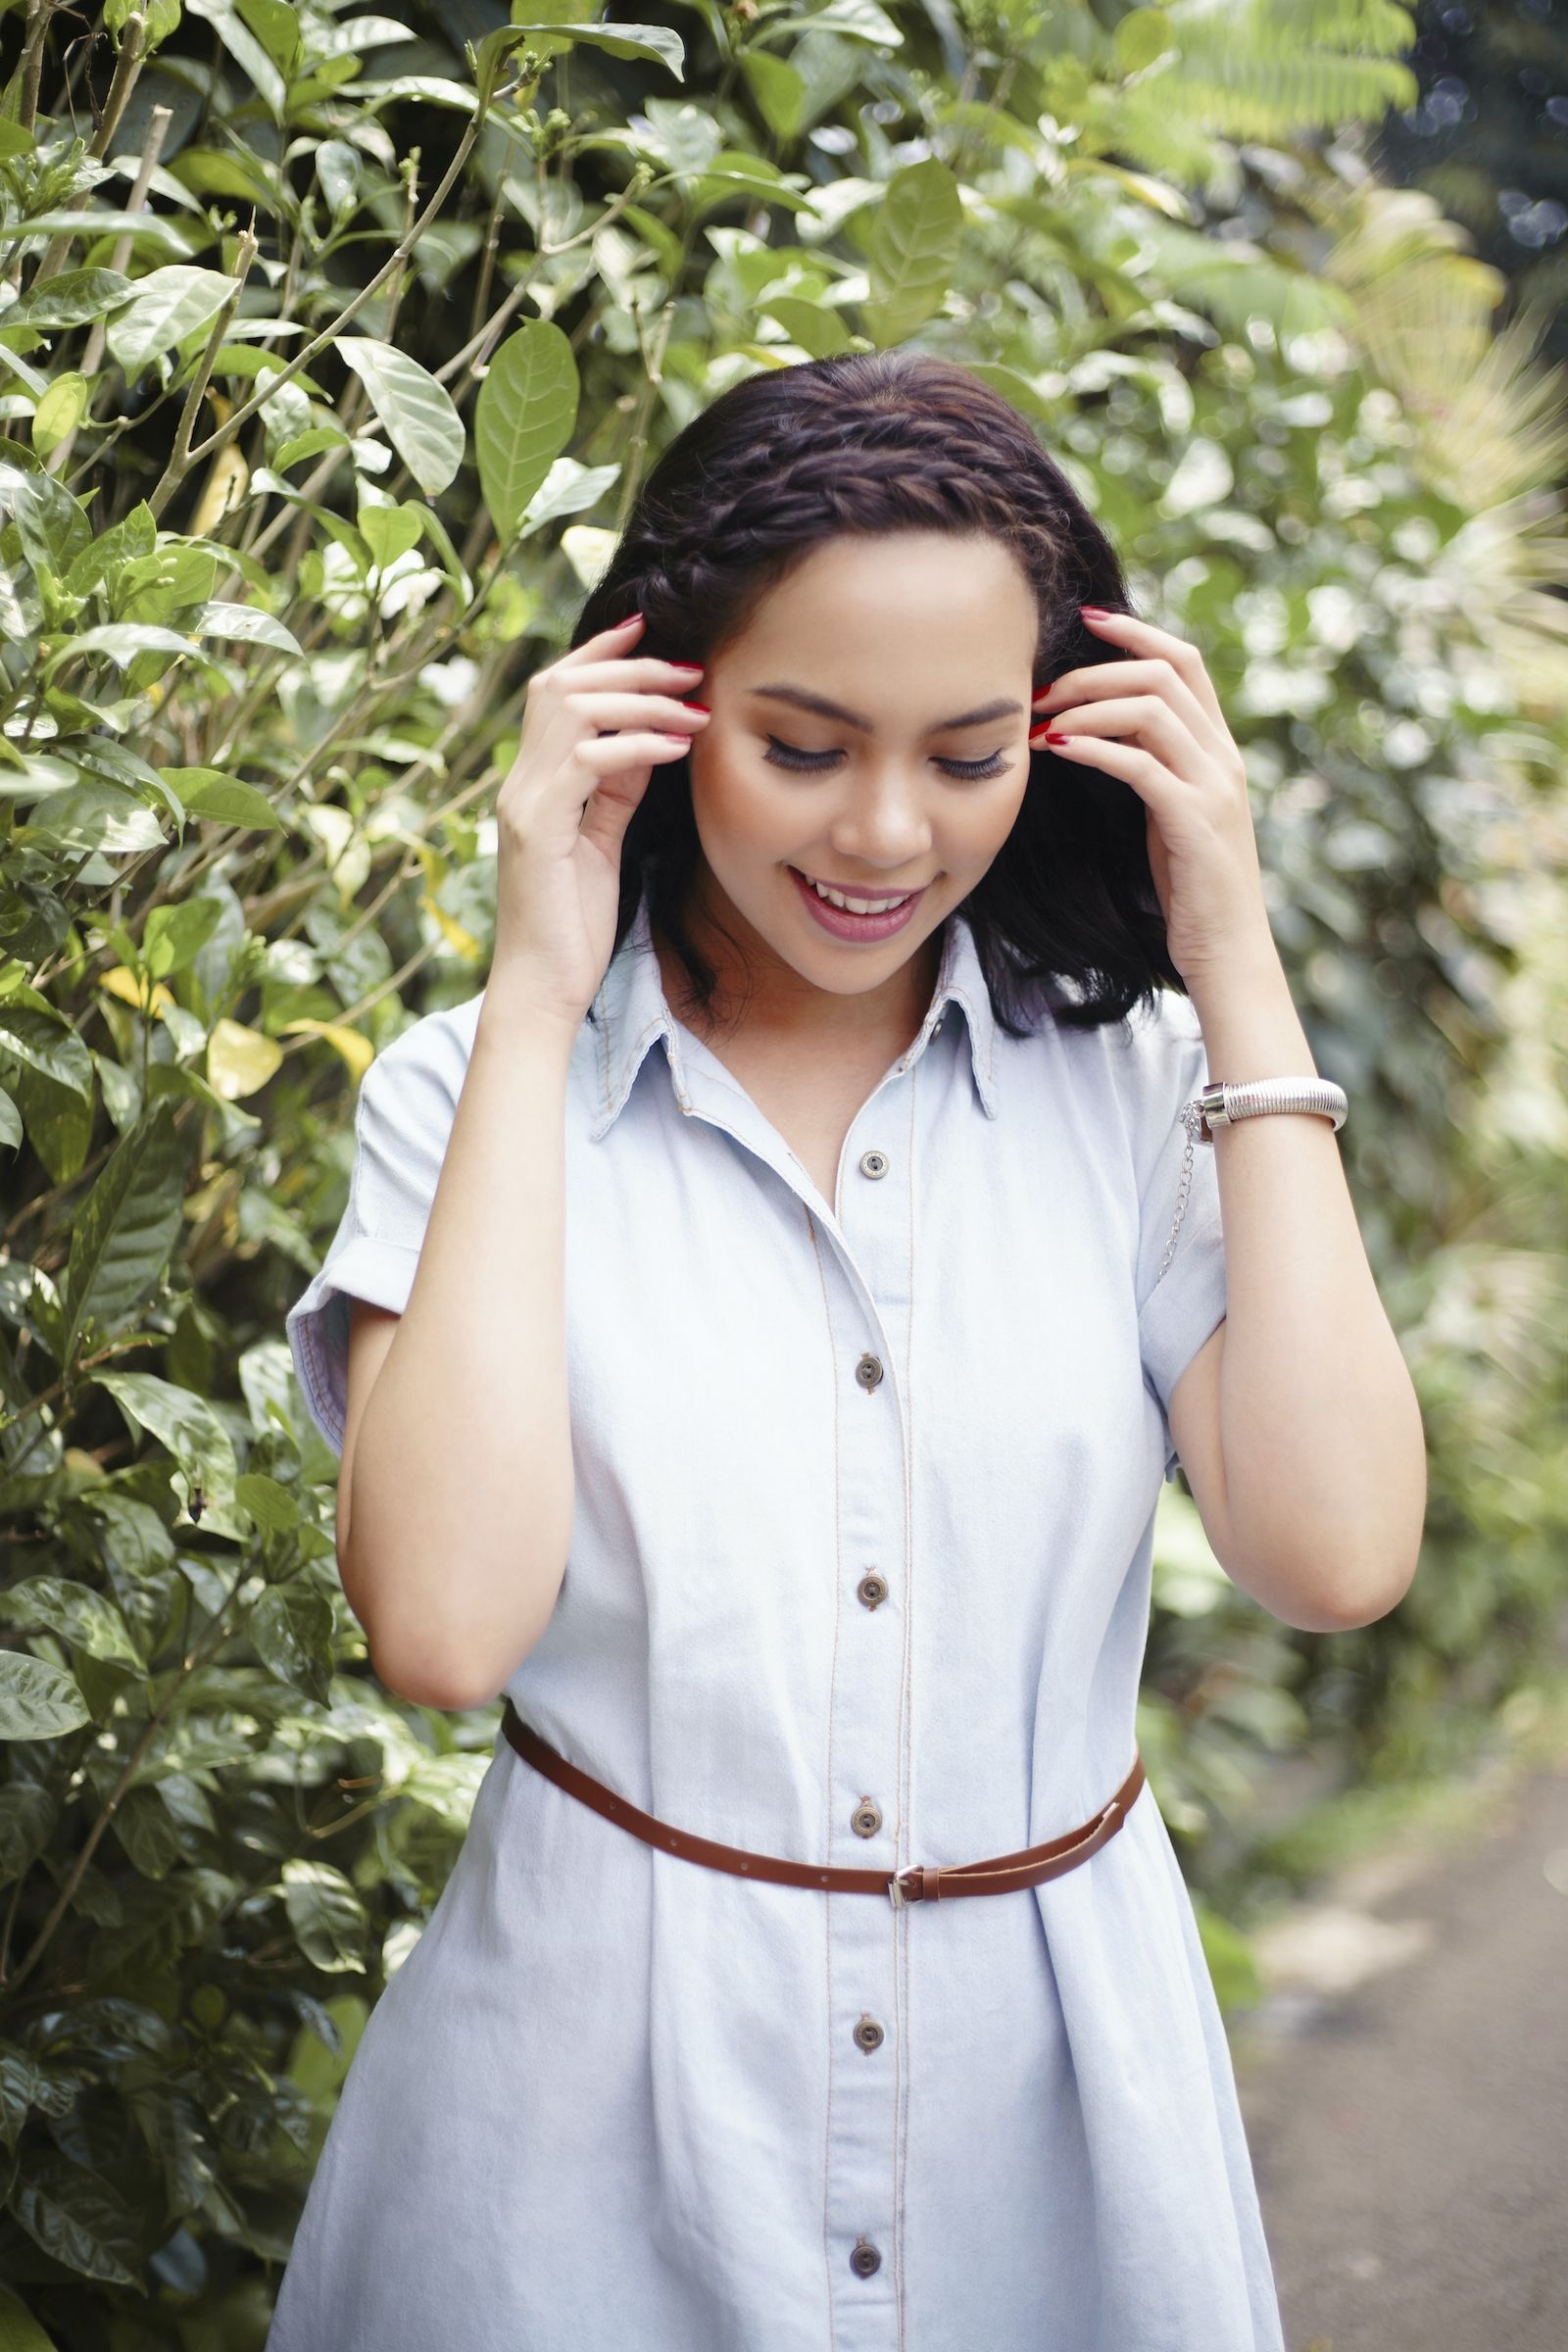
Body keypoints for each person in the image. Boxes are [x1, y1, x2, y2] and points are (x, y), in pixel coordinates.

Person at [270, 350, 1427, 2351]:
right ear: (661, 706)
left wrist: (1230, 957)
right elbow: (444, 1631)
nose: (885, 832)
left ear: (1054, 743)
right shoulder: (472, 1095)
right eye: (802, 745)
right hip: (568, 2147)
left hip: (1055, 2145)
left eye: (967, 754)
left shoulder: (1139, 1086)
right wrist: (535, 987)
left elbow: (1330, 1555)